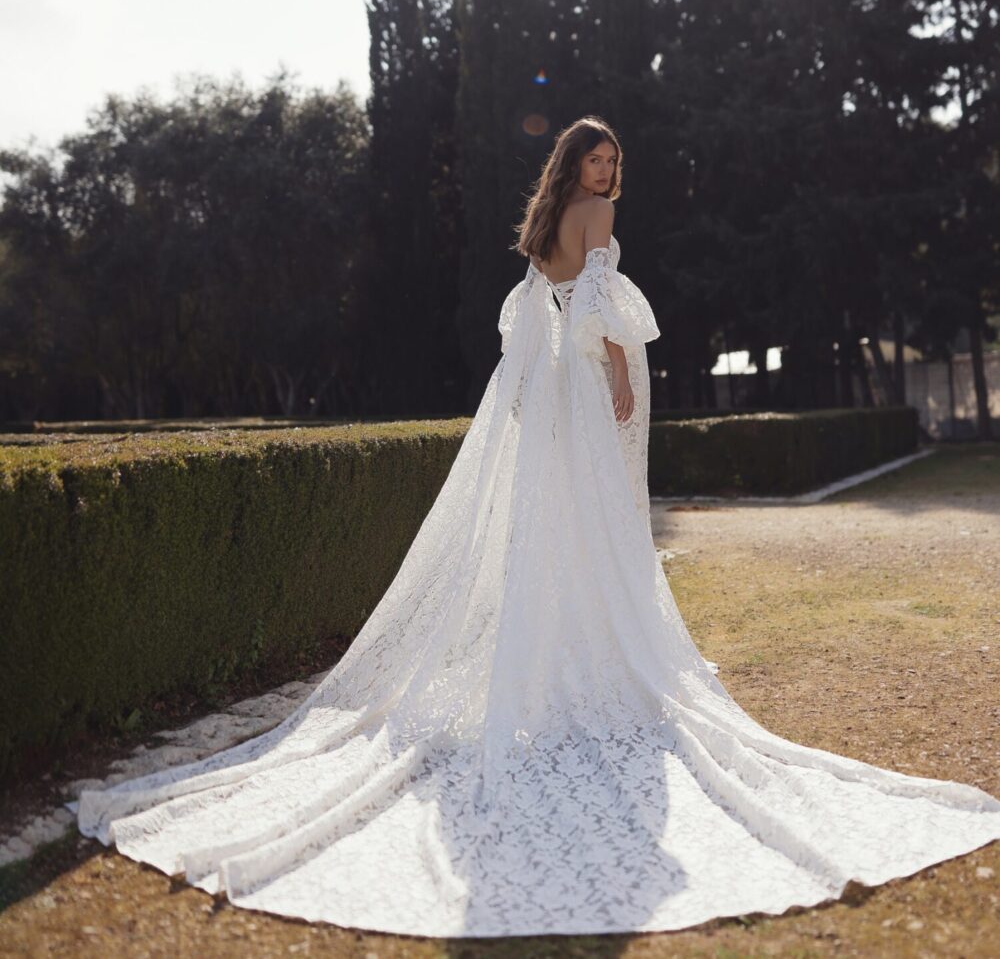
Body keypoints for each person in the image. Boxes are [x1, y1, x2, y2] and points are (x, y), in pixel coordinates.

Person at [76, 116, 1000, 938]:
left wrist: (549, 378)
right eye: (595, 159)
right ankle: (589, 661)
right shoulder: (596, 224)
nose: (605, 172)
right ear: (576, 164)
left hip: (539, 392)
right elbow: (597, 310)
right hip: (582, 394)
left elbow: (530, 316)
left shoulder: (541, 227)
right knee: (592, 526)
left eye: (611, 160)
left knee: (549, 529)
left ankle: (557, 658)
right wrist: (623, 377)